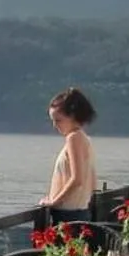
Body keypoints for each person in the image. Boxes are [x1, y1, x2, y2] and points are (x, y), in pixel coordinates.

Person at [43, 87, 98, 222]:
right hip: (78, 212)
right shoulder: (84, 139)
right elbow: (92, 181)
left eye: (58, 120)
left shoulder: (74, 138)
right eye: (53, 121)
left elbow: (77, 179)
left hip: (67, 214)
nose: (55, 125)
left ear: (72, 116)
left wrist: (54, 202)